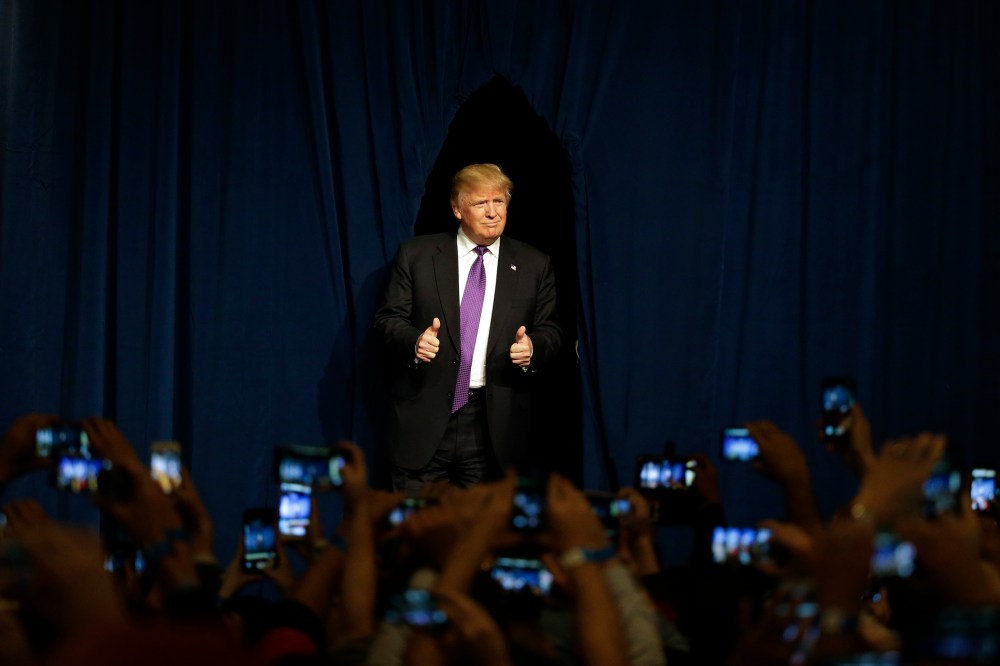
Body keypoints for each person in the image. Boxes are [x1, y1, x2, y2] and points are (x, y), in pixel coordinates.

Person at [373, 163, 562, 494]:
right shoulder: (417, 255)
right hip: (425, 419)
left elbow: (552, 331)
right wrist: (414, 342)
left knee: (480, 539)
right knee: (418, 536)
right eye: (480, 203)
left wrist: (532, 348)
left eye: (499, 202)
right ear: (457, 209)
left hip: (493, 428)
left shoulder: (534, 264)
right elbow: (387, 321)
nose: (492, 213)